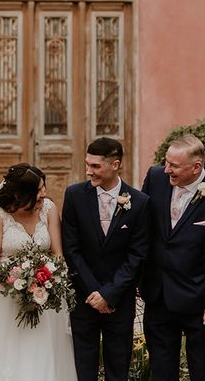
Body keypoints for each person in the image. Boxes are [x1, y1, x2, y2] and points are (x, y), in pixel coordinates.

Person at [0, 163, 77, 380]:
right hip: (7, 297)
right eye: (38, 192)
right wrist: (19, 282)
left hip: (45, 295)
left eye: (44, 189)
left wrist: (46, 280)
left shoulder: (49, 209)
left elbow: (57, 253)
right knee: (6, 352)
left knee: (43, 350)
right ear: (19, 195)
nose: (43, 195)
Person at [141, 134, 205, 381]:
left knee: (204, 371)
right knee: (161, 372)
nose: (166, 170)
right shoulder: (155, 178)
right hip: (159, 294)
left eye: (174, 166)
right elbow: (144, 231)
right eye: (166, 162)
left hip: (199, 299)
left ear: (196, 167)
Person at [61, 137, 150, 381]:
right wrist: (94, 294)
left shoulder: (140, 203)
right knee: (83, 368)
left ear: (115, 164)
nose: (89, 171)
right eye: (88, 164)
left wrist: (109, 294)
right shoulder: (74, 195)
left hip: (119, 301)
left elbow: (137, 255)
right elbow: (71, 249)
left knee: (118, 367)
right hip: (84, 298)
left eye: (96, 166)